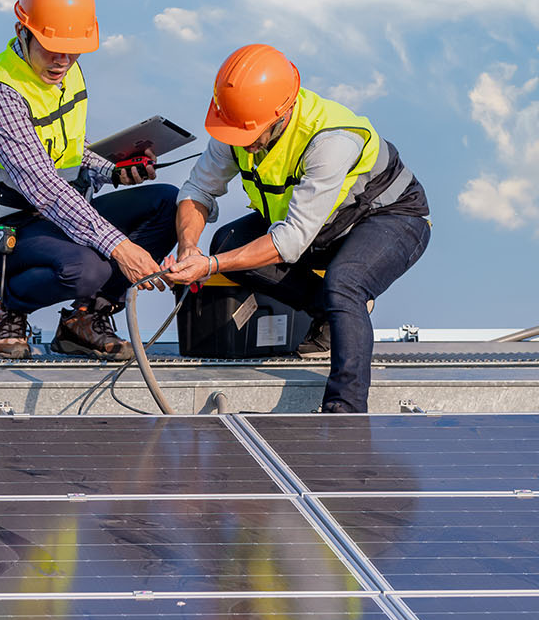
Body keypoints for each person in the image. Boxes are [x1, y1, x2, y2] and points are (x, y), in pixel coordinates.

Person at [162, 44, 431, 413]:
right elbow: (197, 190)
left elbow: (289, 241)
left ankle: (345, 410)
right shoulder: (237, 126)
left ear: (283, 113)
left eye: (250, 134)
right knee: (227, 242)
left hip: (389, 218)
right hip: (319, 226)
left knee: (345, 284)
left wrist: (211, 266)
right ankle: (330, 313)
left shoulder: (331, 140)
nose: (242, 142)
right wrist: (189, 247)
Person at [0, 0, 176, 360]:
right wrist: (121, 248)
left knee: (168, 203)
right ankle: (4, 301)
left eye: (73, 50)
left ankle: (84, 320)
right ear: (22, 31)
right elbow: (44, 186)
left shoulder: (65, 72)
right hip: (7, 228)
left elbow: (68, 149)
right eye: (51, 47)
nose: (62, 61)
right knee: (88, 268)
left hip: (57, 216)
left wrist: (113, 171)